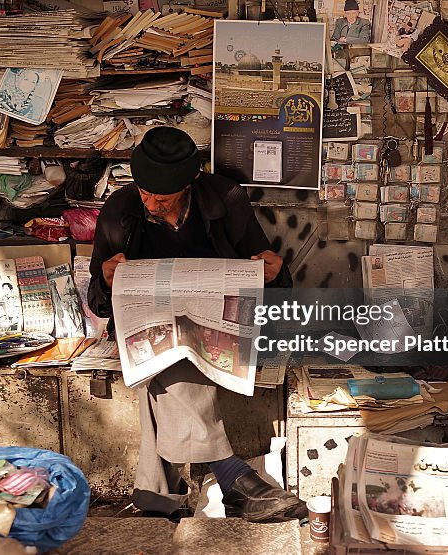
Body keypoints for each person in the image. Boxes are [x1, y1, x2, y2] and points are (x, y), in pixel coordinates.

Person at [88, 126, 308, 523]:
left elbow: (260, 271)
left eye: (164, 198)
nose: (152, 204)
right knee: (169, 354)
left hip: (221, 322)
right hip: (147, 325)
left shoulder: (225, 197)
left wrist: (273, 273)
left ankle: (157, 496)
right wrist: (106, 280)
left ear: (190, 183)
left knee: (174, 355)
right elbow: (99, 301)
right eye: (145, 194)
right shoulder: (121, 209)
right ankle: (233, 477)